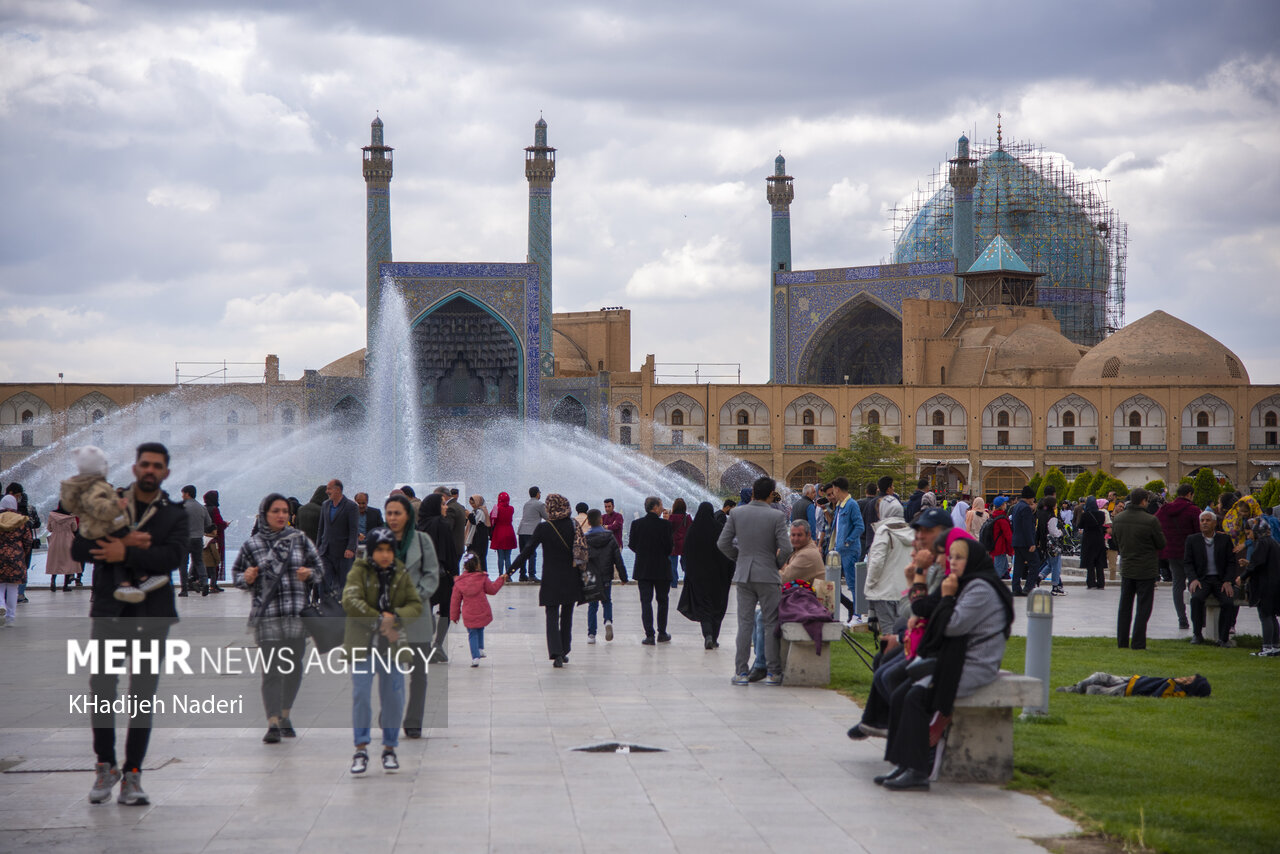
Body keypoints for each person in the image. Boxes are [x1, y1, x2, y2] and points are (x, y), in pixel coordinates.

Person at [73, 442, 187, 806]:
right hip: (110, 610)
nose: (150, 470)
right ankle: (105, 765)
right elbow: (78, 548)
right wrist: (123, 542)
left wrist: (125, 552)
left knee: (142, 695)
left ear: (166, 472)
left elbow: (173, 557)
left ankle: (133, 774)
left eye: (157, 466)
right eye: (145, 464)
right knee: (102, 691)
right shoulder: (110, 500)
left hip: (153, 614)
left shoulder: (175, 513)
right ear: (136, 468)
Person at [878, 537, 1014, 791]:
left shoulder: (980, 588)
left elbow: (951, 626)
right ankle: (903, 763)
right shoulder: (963, 583)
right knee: (900, 694)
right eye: (951, 557)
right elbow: (925, 609)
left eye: (958, 557)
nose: (952, 562)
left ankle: (918, 771)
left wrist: (948, 597)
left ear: (972, 559)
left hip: (974, 665)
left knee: (916, 697)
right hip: (954, 659)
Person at [236, 493, 322, 744]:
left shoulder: (300, 540)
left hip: (296, 616)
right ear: (265, 514)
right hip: (268, 618)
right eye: (276, 511)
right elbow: (239, 577)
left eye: (285, 511)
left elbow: (319, 570)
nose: (281, 515)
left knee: (293, 670)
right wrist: (247, 578)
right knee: (272, 671)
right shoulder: (252, 545)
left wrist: (309, 573)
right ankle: (272, 721)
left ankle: (285, 714)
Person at [342, 527, 423, 775]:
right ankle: (361, 748)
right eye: (380, 550)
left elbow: (415, 605)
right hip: (363, 648)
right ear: (372, 551)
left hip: (393, 648)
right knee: (361, 697)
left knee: (394, 700)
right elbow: (350, 600)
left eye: (389, 550)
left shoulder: (400, 573)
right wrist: (379, 620)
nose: (385, 555)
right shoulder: (359, 571)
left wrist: (396, 617)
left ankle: (389, 748)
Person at [719, 476, 792, 686]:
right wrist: (775, 563)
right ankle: (773, 672)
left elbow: (723, 543)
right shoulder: (776, 516)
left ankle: (741, 673)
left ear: (752, 492)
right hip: (767, 575)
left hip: (744, 575)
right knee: (770, 623)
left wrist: (739, 558)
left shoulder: (736, 513)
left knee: (744, 624)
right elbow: (786, 548)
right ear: (771, 494)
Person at [383, 494, 438, 739]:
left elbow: (431, 575)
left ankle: (414, 719)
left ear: (408, 515)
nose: (393, 518)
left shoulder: (422, 540)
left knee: (418, 674)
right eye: (389, 513)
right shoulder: (379, 540)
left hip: (416, 616)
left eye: (398, 513)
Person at [509, 494, 583, 666]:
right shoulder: (573, 525)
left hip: (551, 577)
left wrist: (510, 570)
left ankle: (556, 653)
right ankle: (564, 650)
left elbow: (527, 551)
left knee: (551, 615)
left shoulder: (544, 528)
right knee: (567, 615)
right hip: (570, 577)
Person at [1110, 488, 1166, 650]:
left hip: (1127, 567)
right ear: (1143, 501)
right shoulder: (1150, 520)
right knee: (1143, 607)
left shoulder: (1119, 519)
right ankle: (1138, 642)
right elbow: (1161, 543)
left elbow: (1115, 540)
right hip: (1146, 569)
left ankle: (1122, 642)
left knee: (1125, 606)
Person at [677, 501, 734, 649]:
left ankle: (707, 635)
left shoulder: (692, 531)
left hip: (699, 577)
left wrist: (688, 571)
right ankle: (714, 638)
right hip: (718, 576)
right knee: (718, 605)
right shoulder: (719, 529)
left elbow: (686, 553)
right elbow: (729, 552)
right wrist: (729, 571)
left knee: (704, 606)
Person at [1184, 509, 1237, 646]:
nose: (1204, 523)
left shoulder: (1224, 540)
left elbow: (1231, 562)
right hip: (1202, 580)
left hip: (1220, 580)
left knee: (1227, 602)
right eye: (1202, 520)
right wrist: (1193, 579)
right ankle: (1197, 634)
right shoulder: (1192, 540)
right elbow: (1188, 563)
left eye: (1208, 520)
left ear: (1214, 523)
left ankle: (1223, 638)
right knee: (1196, 599)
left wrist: (1228, 581)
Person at [416, 493, 458, 664]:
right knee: (446, 610)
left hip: (424, 575)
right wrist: (455, 573)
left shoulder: (421, 525)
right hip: (442, 576)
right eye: (442, 504)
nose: (446, 507)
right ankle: (437, 646)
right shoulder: (441, 524)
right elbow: (449, 551)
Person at [863, 497, 915, 631]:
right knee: (904, 635)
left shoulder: (884, 532)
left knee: (889, 635)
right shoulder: (911, 532)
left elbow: (876, 562)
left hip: (885, 592)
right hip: (905, 592)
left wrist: (869, 586)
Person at [628, 496, 674, 644]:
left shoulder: (636, 524)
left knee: (645, 602)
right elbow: (669, 547)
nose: (662, 508)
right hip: (662, 568)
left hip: (644, 569)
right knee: (663, 601)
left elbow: (632, 545)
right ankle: (662, 633)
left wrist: (643, 554)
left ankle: (649, 635)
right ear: (654, 507)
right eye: (660, 506)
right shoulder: (665, 526)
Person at [1156, 483, 1201, 629]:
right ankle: (1199, 619)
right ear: (1189, 494)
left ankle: (1182, 619)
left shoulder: (1164, 509)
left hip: (1172, 553)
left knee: (1177, 585)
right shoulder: (1194, 510)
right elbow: (1198, 533)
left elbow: (1154, 523)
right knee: (1195, 584)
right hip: (1191, 554)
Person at [450, 552, 506, 666]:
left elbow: (455, 601)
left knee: (472, 633)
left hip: (468, 612)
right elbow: (492, 590)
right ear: (477, 565)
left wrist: (454, 616)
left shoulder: (459, 582)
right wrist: (500, 579)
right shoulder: (482, 578)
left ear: (464, 566)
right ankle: (480, 648)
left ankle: (475, 657)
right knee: (480, 627)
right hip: (481, 609)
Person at [585, 508, 628, 644]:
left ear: (589, 522)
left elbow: (580, 559)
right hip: (606, 574)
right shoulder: (610, 536)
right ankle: (608, 621)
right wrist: (623, 577)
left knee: (592, 605)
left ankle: (591, 635)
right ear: (601, 520)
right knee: (607, 601)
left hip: (590, 575)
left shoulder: (585, 538)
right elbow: (617, 558)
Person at [1239, 517, 1280, 656]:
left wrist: (1242, 576)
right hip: (1274, 584)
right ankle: (1275, 646)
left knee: (1265, 615)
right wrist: (1249, 563)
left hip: (1264, 585)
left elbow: (1257, 564)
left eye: (1249, 532)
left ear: (1257, 530)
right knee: (1272, 615)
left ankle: (1267, 647)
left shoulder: (1262, 543)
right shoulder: (1273, 542)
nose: (1248, 536)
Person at [828, 477, 865, 625]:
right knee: (832, 582)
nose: (832, 494)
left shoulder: (851, 505)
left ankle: (857, 615)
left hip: (849, 551)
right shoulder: (840, 506)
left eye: (833, 491)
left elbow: (859, 526)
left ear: (837, 489)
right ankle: (838, 613)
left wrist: (848, 541)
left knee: (852, 583)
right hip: (838, 551)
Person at [317, 479, 359, 597]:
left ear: (338, 490)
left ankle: (341, 610)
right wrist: (317, 546)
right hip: (325, 551)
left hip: (343, 553)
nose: (327, 491)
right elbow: (321, 528)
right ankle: (324, 608)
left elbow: (353, 529)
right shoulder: (325, 505)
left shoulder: (351, 506)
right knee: (324, 582)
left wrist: (351, 548)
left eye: (329, 489)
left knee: (343, 584)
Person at [0, 494, 33, 625]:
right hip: (16, 555)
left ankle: (1, 604)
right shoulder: (21, 520)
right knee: (13, 588)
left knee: (0, 585)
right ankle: (10, 618)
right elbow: (28, 540)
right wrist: (22, 553)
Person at [179, 485, 216, 596]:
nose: (182, 496)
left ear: (187, 494)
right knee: (199, 562)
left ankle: (184, 589)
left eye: (183, 493)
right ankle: (204, 583)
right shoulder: (201, 508)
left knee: (183, 565)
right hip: (198, 539)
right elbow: (208, 524)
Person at [1056, 672, 1211, 697]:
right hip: (1131, 680)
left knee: (1095, 690)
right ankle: (1076, 687)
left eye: (1188, 681)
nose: (1184, 678)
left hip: (1129, 690)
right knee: (1099, 676)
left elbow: (1157, 695)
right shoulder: (1173, 684)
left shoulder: (1177, 691)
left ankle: (1076, 691)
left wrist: (1171, 682)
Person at [1008, 486, 1038, 596]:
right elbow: (1027, 527)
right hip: (1025, 542)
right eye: (1033, 498)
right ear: (1029, 497)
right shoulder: (1026, 508)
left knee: (1018, 565)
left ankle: (1015, 588)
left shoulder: (1016, 507)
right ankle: (1028, 587)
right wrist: (1031, 543)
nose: (1033, 501)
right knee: (1035, 563)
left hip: (1016, 541)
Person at [45, 502, 80, 591]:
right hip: (68, 540)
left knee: (55, 562)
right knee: (69, 563)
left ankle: (53, 581)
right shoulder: (71, 517)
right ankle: (65, 585)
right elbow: (74, 528)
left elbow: (49, 528)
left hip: (55, 541)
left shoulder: (52, 515)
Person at [516, 486, 548, 582]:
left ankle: (522, 575)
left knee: (523, 553)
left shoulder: (526, 504)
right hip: (531, 532)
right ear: (538, 494)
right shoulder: (540, 504)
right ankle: (532, 575)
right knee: (532, 553)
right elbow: (547, 517)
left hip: (522, 531)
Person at [202, 490, 229, 591]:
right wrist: (225, 524)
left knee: (205, 560)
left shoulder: (204, 508)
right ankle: (213, 584)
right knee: (216, 559)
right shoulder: (214, 509)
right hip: (215, 537)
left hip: (205, 537)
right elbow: (218, 523)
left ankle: (203, 582)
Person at [1079, 496, 1108, 590]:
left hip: (1088, 540)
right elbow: (1102, 523)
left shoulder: (1085, 515)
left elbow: (1080, 525)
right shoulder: (1101, 514)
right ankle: (1101, 583)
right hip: (1099, 540)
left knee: (1090, 563)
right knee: (1099, 563)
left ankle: (1091, 583)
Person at [489, 491, 517, 578]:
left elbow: (492, 519)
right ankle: (509, 576)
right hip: (509, 532)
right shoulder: (511, 508)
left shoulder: (496, 508)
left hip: (499, 533)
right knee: (508, 557)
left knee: (500, 557)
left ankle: (501, 575)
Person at [668, 498, 692, 588]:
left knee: (673, 565)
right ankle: (687, 583)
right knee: (686, 565)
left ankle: (674, 583)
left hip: (674, 544)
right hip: (685, 544)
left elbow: (668, 530)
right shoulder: (688, 517)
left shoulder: (672, 517)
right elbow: (691, 529)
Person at [987, 496, 1013, 579]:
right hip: (1000, 547)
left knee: (1004, 568)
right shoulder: (1002, 518)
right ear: (1002, 506)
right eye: (1005, 503)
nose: (1006, 505)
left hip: (994, 546)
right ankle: (994, 588)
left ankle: (1005, 581)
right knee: (998, 570)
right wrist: (1013, 546)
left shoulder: (993, 516)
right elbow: (1008, 535)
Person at [465, 494, 491, 573]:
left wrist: (469, 515)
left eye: (473, 503)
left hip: (479, 539)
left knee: (480, 558)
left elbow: (475, 521)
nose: (472, 505)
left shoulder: (481, 511)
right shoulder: (476, 511)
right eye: (470, 503)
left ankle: (481, 574)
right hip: (476, 538)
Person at [444, 488, 468, 562]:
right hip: (459, 546)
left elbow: (448, 528)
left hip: (452, 547)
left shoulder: (450, 508)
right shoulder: (461, 507)